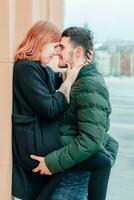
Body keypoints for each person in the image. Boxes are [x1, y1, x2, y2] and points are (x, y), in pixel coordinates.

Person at [31, 27, 119, 200]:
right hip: (70, 170)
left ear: (78, 51)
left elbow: (90, 140)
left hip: (74, 179)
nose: (57, 52)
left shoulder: (90, 85)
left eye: (62, 47)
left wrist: (51, 163)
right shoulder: (76, 78)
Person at [12, 21, 86, 200]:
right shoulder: (26, 68)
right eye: (55, 46)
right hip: (34, 144)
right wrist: (67, 83)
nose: (56, 53)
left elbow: (56, 79)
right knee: (95, 160)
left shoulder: (39, 68)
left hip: (41, 136)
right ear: (41, 41)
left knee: (94, 158)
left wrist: (74, 67)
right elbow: (51, 109)